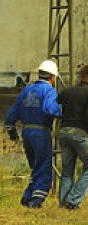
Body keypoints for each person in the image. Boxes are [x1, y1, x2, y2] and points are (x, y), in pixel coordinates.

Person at [3, 59, 62, 209]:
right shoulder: (49, 91)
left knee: (35, 167)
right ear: (53, 77)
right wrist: (63, 111)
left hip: (26, 132)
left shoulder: (27, 90)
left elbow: (12, 113)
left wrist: (12, 131)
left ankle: (28, 196)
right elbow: (49, 109)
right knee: (43, 167)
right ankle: (36, 201)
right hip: (41, 132)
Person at [57, 64, 88, 210]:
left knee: (67, 171)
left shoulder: (67, 91)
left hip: (63, 132)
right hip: (80, 132)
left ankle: (63, 203)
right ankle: (72, 200)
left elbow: (56, 106)